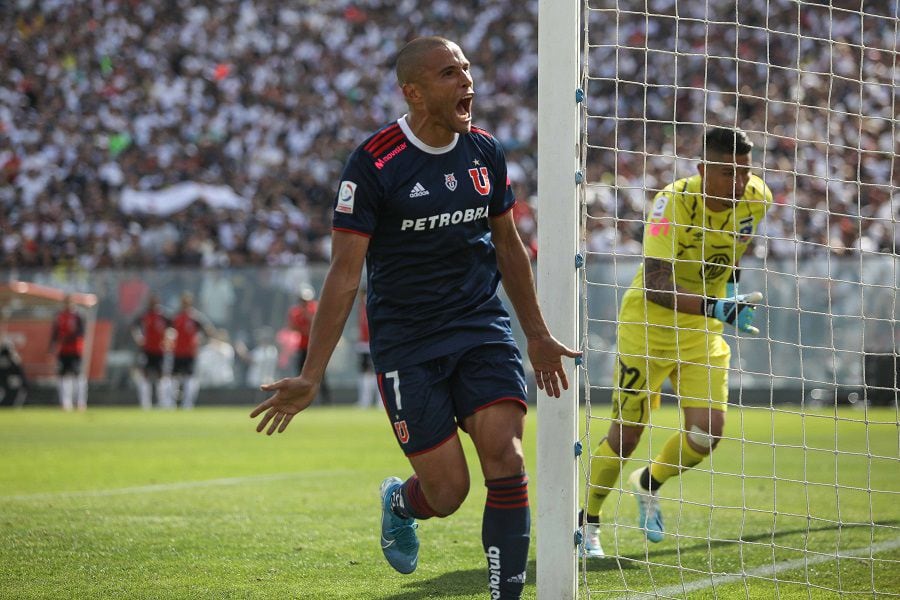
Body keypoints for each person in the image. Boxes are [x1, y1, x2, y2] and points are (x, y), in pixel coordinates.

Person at [250, 36, 579, 600]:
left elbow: (509, 248)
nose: (467, 83)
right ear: (414, 91)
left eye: (468, 71)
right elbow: (345, 274)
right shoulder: (374, 163)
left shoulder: (485, 151)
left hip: (479, 325)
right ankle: (401, 501)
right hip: (406, 341)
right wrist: (312, 373)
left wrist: (539, 335)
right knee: (448, 491)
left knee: (506, 455)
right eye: (451, 74)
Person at [580, 126, 772, 558]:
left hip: (701, 333)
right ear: (704, 170)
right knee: (627, 435)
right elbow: (655, 285)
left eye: (743, 172)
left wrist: (729, 299)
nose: (737, 183)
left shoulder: (758, 198)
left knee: (707, 435)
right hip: (647, 329)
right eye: (726, 173)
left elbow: (732, 256)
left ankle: (648, 483)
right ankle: (587, 521)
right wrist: (715, 306)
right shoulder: (672, 202)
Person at [170, 292, 217, 409]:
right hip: (177, 351)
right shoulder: (176, 317)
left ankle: (188, 403)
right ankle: (171, 403)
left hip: (190, 353)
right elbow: (168, 331)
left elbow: (209, 330)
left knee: (189, 377)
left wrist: (200, 342)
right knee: (174, 378)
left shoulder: (195, 317)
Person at [287, 285, 331, 404]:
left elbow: (318, 325)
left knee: (321, 374)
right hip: (303, 346)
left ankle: (325, 401)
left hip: (316, 347)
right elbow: (293, 327)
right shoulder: (296, 312)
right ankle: (300, 399)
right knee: (300, 374)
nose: (304, 303)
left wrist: (307, 317)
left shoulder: (315, 308)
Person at [131, 294, 172, 409]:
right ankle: (145, 403)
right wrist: (138, 337)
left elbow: (171, 328)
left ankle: (163, 403)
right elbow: (134, 326)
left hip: (160, 350)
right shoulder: (144, 315)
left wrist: (169, 338)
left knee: (161, 376)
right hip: (146, 350)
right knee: (144, 375)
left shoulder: (163, 315)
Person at [49, 294, 87, 411]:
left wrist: (68, 338)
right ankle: (65, 402)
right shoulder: (59, 316)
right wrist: (51, 347)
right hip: (63, 351)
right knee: (62, 375)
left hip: (75, 350)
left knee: (77, 375)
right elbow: (55, 333)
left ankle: (80, 402)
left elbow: (81, 332)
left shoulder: (78, 316)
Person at [355, 288, 377, 408]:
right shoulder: (361, 307)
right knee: (364, 372)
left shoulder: (371, 305)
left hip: (372, 343)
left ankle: (379, 402)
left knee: (374, 371)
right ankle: (364, 401)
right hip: (363, 343)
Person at [0, 341, 28, 407]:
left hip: (10, 382)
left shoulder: (13, 359)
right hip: (5, 381)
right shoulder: (13, 359)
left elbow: (19, 371)